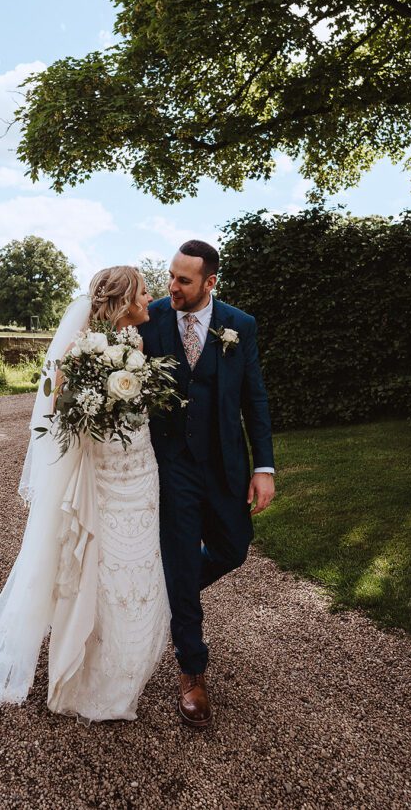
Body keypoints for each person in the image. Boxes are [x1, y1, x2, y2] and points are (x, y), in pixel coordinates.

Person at [0, 266, 170, 723]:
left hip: (142, 472)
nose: (149, 297)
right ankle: (87, 676)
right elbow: (54, 405)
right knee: (102, 571)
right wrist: (93, 403)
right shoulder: (82, 348)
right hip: (103, 477)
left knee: (140, 570)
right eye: (142, 291)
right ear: (124, 299)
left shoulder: (136, 345)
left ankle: (126, 670)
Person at [140, 240, 275, 729]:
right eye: (171, 276)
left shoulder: (240, 325)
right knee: (181, 556)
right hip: (171, 463)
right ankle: (192, 671)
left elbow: (254, 398)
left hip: (224, 463)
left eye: (183, 280)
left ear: (210, 282)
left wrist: (264, 467)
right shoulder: (150, 318)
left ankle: (166, 592)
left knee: (233, 547)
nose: (172, 287)